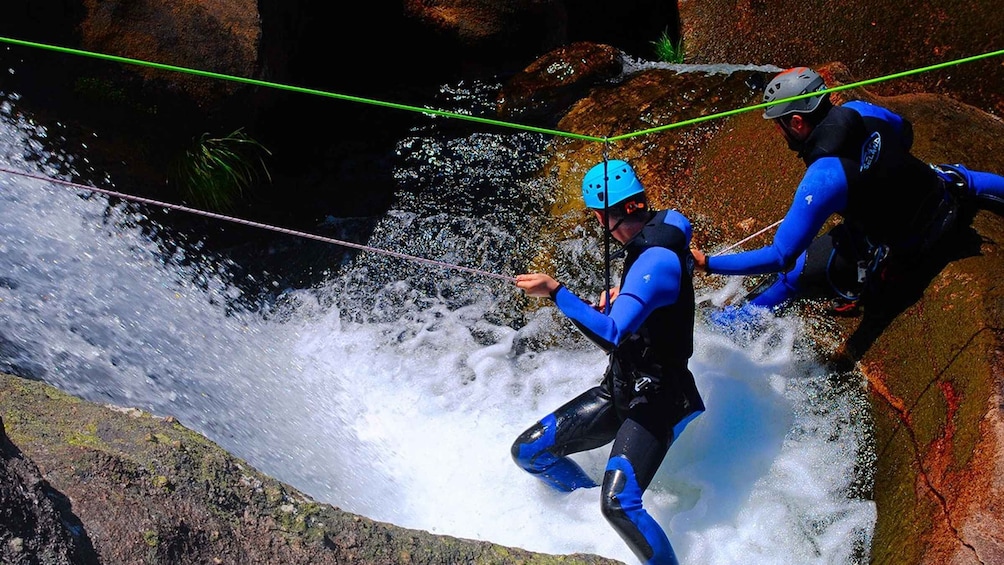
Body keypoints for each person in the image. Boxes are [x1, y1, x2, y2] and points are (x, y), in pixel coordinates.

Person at [691, 66, 1004, 324]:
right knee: (962, 178)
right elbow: (904, 134)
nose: (778, 131)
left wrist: (708, 263)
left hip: (913, 244)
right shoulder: (860, 110)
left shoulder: (824, 177)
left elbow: (780, 256)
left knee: (794, 273)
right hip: (943, 198)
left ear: (797, 122)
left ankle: (730, 325)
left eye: (779, 125)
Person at [511, 159, 704, 565]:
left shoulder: (655, 260)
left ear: (601, 216)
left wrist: (556, 291)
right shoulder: (666, 228)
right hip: (621, 385)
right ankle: (581, 515)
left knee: (618, 504)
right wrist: (629, 290)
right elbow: (679, 244)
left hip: (660, 398)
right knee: (530, 452)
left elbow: (612, 333)